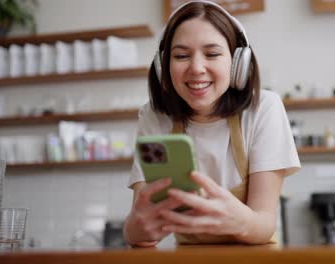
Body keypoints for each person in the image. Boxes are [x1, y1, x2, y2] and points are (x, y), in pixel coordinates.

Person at [123, 1, 300, 247]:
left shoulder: (264, 108)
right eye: (181, 56)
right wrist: (137, 228)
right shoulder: (154, 117)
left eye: (212, 54)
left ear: (238, 62)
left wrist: (237, 219)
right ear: (163, 66)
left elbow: (264, 224)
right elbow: (137, 235)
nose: (196, 68)